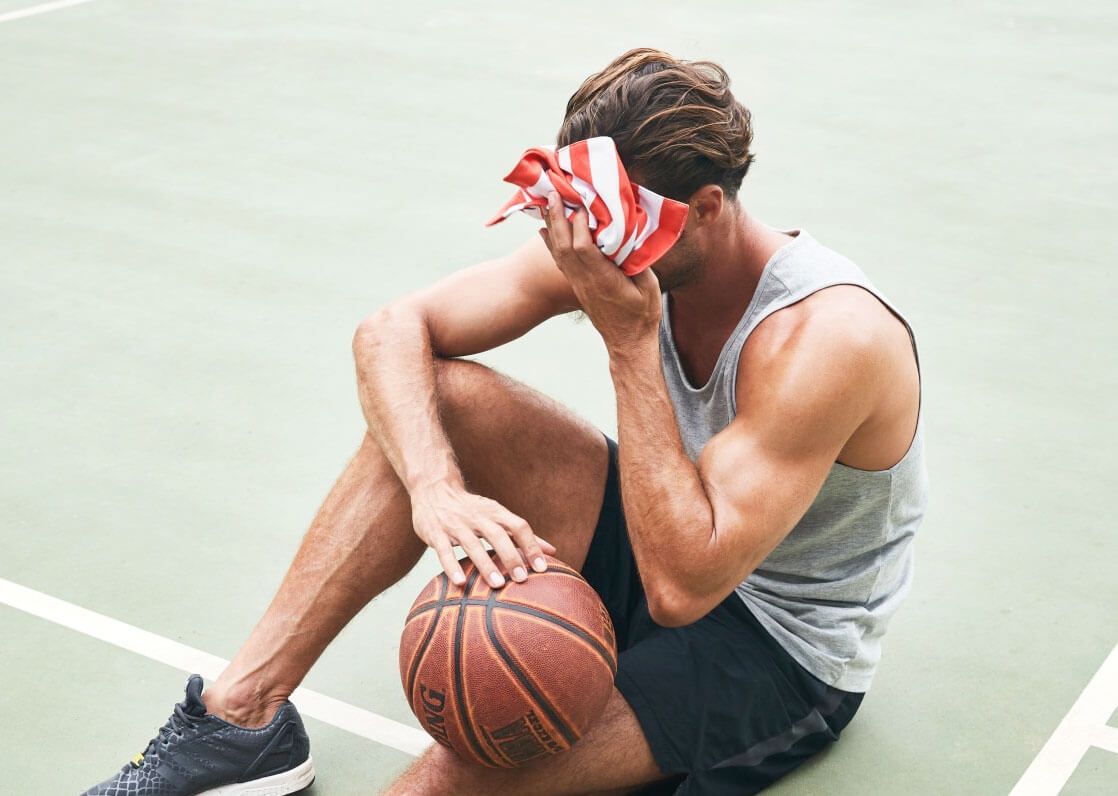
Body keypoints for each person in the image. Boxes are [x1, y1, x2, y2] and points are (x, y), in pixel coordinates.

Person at [81, 47, 929, 796]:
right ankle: (241, 720)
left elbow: (682, 591)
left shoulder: (828, 339)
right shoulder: (622, 241)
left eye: (619, 231)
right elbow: (392, 332)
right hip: (663, 532)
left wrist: (630, 346)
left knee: (463, 768)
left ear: (706, 208)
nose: (594, 252)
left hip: (774, 648)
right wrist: (434, 489)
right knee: (440, 401)